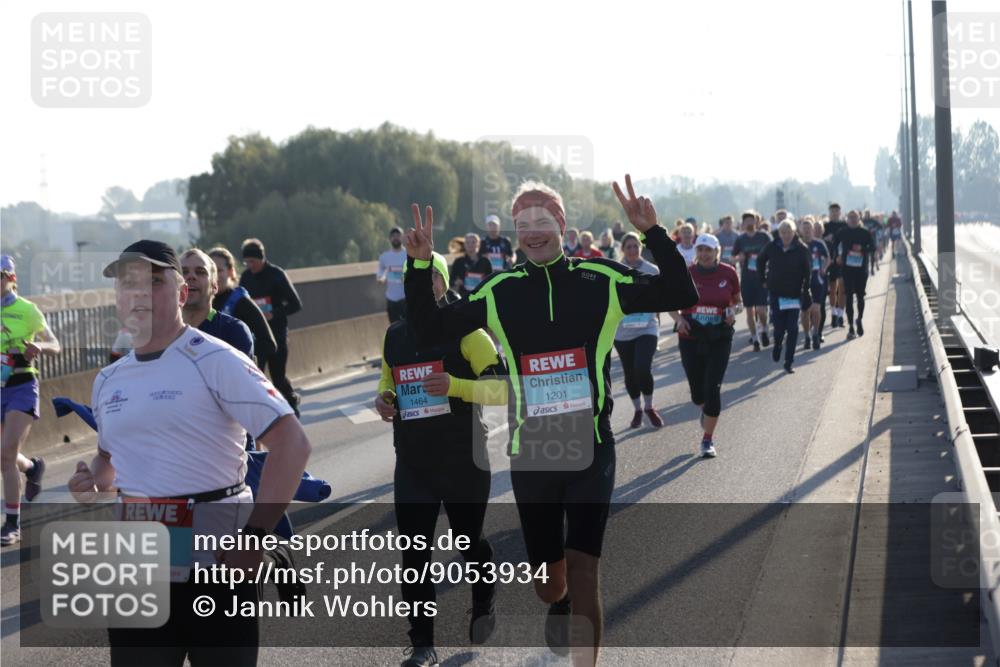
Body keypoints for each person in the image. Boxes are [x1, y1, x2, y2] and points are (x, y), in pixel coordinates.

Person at [403, 176, 697, 666]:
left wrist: (653, 232)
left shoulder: (601, 280)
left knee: (585, 571)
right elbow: (427, 329)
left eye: (542, 222)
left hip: (591, 447)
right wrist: (418, 266)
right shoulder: (500, 291)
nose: (533, 232)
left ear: (562, 224)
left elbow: (680, 290)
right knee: (549, 583)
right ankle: (555, 600)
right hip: (534, 452)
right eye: (523, 225)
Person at [69, 239, 311, 665]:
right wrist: (91, 481)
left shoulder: (217, 360)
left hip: (215, 565)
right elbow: (109, 464)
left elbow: (292, 444)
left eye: (154, 281)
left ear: (182, 294)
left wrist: (254, 538)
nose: (139, 293)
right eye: (128, 284)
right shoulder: (108, 380)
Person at [374, 252, 505, 666]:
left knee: (469, 544)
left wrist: (456, 386)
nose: (425, 284)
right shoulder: (394, 335)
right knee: (414, 555)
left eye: (433, 276)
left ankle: (484, 596)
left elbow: (502, 390)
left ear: (443, 284)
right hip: (413, 461)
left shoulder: (468, 331)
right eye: (418, 277)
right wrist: (384, 400)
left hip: (463, 458)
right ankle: (422, 644)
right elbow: (386, 383)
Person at [1, 255, 60, 545]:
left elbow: (55, 344)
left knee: (6, 453)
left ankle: (12, 523)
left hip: (22, 385)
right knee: (6, 455)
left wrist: (39, 346)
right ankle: (33, 468)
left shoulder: (28, 310)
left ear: (12, 278)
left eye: (1, 275)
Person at [667, 234, 740, 457]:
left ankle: (707, 440)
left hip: (719, 337)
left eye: (708, 250)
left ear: (717, 251)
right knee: (697, 393)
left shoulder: (728, 273)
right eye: (700, 250)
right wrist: (678, 320)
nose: (704, 254)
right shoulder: (687, 272)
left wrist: (732, 311)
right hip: (691, 337)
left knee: (713, 388)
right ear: (696, 252)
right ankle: (704, 408)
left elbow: (737, 301)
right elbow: (670, 301)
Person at [239, 238, 303, 416]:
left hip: (277, 334)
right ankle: (265, 413)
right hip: (256, 336)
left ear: (262, 258)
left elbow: (296, 304)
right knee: (256, 376)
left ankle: (291, 402)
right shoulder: (245, 278)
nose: (250, 265)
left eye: (252, 261)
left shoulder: (276, 274)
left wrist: (274, 313)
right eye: (246, 262)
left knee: (278, 377)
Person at [613, 233, 663, 429]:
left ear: (640, 248)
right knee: (629, 373)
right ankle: (637, 410)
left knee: (642, 367)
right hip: (622, 331)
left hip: (647, 328)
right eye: (629, 247)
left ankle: (649, 406)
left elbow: (661, 297)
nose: (633, 250)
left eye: (636, 246)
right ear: (623, 250)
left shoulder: (652, 270)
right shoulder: (615, 271)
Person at [758, 220, 812, 373]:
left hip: (794, 294)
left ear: (794, 232)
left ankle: (789, 361)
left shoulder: (802, 249)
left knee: (793, 328)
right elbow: (760, 261)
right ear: (779, 234)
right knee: (779, 327)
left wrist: (806, 290)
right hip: (776, 292)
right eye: (783, 233)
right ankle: (778, 344)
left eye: (789, 232)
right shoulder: (772, 246)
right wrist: (763, 279)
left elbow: (808, 272)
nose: (786, 236)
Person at [207, 246, 276, 365]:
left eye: (220, 270)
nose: (215, 276)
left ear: (230, 271)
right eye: (210, 271)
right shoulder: (200, 304)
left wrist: (243, 361)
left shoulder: (241, 302)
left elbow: (268, 343)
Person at [181, 249, 254, 359]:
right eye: (184, 272)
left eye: (200, 272)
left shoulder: (234, 331)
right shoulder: (158, 334)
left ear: (214, 286)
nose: (191, 276)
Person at [732, 211, 772, 351]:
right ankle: (754, 338)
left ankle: (764, 329)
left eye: (752, 220)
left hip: (761, 278)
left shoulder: (764, 237)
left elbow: (773, 253)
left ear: (757, 222)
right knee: (749, 311)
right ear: (743, 224)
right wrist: (739, 258)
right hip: (747, 279)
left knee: (761, 310)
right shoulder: (740, 239)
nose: (750, 223)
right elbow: (732, 257)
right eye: (747, 221)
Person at [834, 210, 876, 339]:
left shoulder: (865, 232)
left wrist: (862, 249)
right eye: (850, 217)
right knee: (848, 297)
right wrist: (837, 256)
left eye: (855, 217)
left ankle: (859, 319)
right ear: (847, 219)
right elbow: (834, 245)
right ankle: (851, 326)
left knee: (860, 296)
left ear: (859, 219)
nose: (852, 219)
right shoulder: (842, 232)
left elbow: (873, 247)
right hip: (847, 269)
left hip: (861, 269)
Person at [798, 218, 830, 351]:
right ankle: (806, 336)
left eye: (809, 229)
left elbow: (828, 258)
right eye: (804, 229)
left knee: (816, 309)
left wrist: (824, 268)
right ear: (800, 231)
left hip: (818, 280)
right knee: (805, 312)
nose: (806, 231)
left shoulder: (819, 243)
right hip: (803, 283)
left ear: (812, 230)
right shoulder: (797, 245)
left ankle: (816, 333)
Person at [823, 203, 848, 328]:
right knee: (832, 289)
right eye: (832, 211)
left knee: (842, 289)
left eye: (836, 211)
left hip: (842, 260)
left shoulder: (844, 226)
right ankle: (833, 312)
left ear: (840, 212)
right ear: (829, 212)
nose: (834, 213)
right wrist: (826, 238)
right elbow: (819, 239)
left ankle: (840, 315)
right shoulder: (825, 226)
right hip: (830, 261)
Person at [377, 227, 409, 323]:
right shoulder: (384, 257)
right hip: (391, 299)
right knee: (394, 328)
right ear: (390, 239)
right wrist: (381, 278)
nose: (395, 238)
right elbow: (381, 272)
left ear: (402, 237)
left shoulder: (408, 254)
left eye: (398, 235)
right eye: (393, 236)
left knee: (407, 326)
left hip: (405, 298)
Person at [451, 233, 494, 297]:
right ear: (464, 245)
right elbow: (451, 280)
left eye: (473, 242)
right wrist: (456, 282)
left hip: (481, 297)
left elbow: (491, 281)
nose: (470, 245)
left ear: (478, 244)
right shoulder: (459, 261)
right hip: (464, 298)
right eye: (467, 242)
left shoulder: (485, 261)